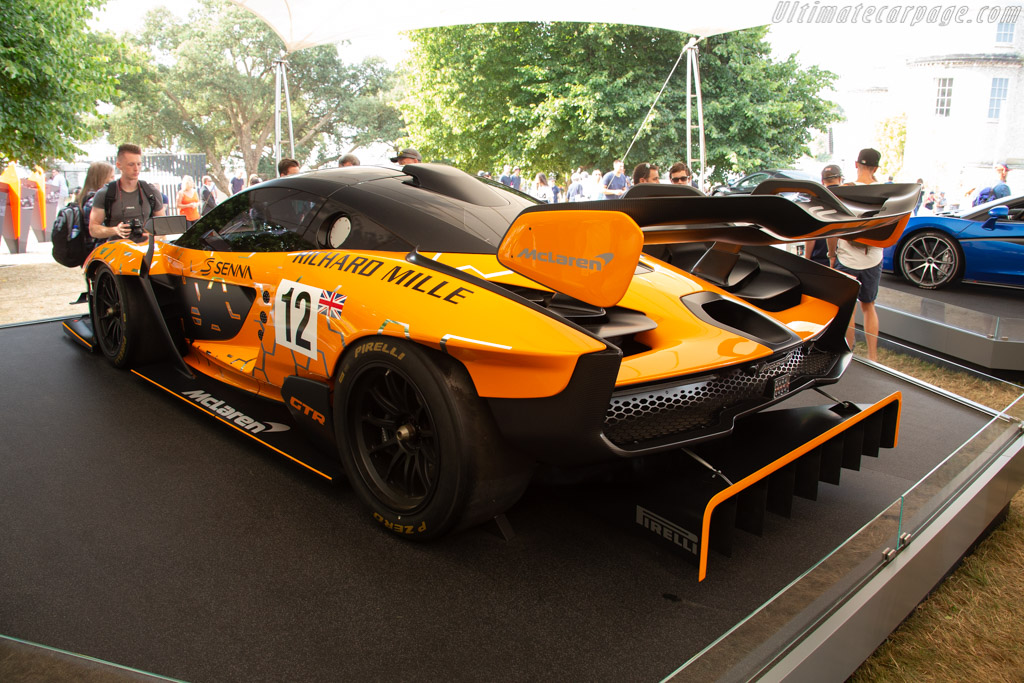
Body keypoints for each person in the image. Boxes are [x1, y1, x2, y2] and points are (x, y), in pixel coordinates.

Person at [827, 147, 883, 361]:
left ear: (856, 164)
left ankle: (848, 350)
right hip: (873, 257)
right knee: (869, 306)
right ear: (876, 167)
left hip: (847, 257)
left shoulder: (845, 190)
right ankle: (873, 356)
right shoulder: (886, 192)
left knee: (848, 308)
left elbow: (834, 228)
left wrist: (832, 255)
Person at [89, 143, 165, 242]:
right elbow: (93, 229)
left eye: (139, 164)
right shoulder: (105, 193)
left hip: (146, 251)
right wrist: (115, 230)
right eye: (131, 164)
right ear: (119, 165)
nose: (136, 168)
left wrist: (153, 237)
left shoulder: (151, 192)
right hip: (118, 252)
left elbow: (163, 228)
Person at [804, 164, 842, 266]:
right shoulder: (845, 198)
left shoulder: (816, 200)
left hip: (818, 259)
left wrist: (806, 260)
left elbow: (811, 236)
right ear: (840, 179)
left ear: (822, 181)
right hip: (841, 259)